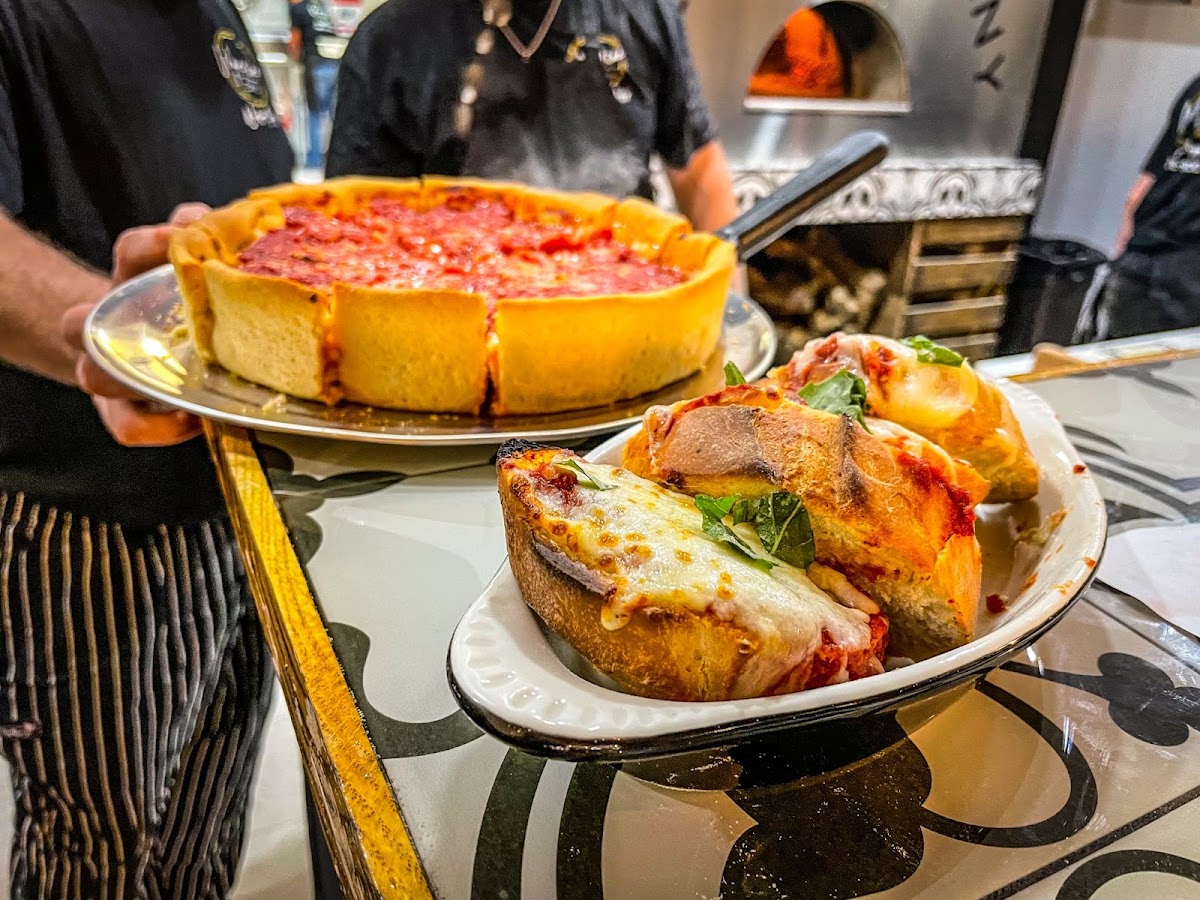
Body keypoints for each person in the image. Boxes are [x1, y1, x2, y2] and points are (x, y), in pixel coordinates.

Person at [0, 0, 293, 894]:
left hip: (234, 502)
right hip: (89, 527)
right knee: (100, 854)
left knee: (207, 830)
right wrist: (116, 336)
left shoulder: (213, 12)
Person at [325, 0, 738, 232]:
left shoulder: (642, 11)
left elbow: (699, 169)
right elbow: (356, 229)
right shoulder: (390, 40)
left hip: (629, 293)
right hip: (453, 316)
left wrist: (727, 312)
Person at [1098, 73, 1200, 339]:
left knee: (1123, 352)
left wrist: (1129, 238)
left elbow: (1145, 182)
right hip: (1180, 262)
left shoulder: (1195, 86)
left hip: (1146, 250)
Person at [290, 0, 341, 169]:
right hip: (336, 64)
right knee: (335, 114)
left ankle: (313, 160)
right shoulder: (324, 8)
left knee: (314, 113)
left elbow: (294, 42)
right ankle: (337, 157)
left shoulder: (298, 9)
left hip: (315, 65)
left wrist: (296, 60)